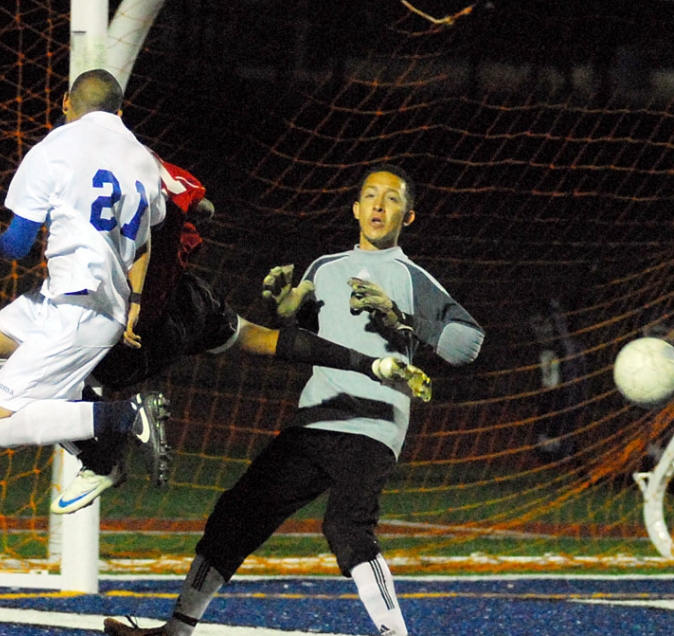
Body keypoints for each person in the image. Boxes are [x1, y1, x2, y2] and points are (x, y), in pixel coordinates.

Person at [103, 163, 484, 636]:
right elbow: (308, 332)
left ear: (408, 215)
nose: (377, 205)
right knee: (237, 511)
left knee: (346, 528)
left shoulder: (413, 279)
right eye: (368, 196)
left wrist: (405, 317)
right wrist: (284, 308)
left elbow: (468, 344)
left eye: (391, 199)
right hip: (316, 418)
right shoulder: (325, 266)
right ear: (354, 208)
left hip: (372, 424)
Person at [52, 155, 433, 514]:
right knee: (257, 338)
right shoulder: (145, 161)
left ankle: (107, 452)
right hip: (190, 297)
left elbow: (22, 236)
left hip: (141, 324)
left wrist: (0, 237)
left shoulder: (71, 165)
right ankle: (375, 365)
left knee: (35, 373)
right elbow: (205, 208)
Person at [0, 68, 171, 487]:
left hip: (78, 311)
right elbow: (146, 244)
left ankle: (127, 416)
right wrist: (136, 302)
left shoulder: (52, 149)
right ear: (120, 111)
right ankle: (100, 447)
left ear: (64, 103)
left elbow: (16, 245)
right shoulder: (147, 162)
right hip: (72, 302)